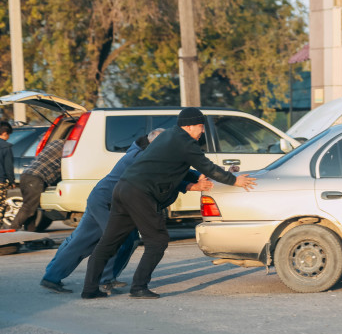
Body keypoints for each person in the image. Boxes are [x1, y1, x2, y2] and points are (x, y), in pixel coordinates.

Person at [81, 107, 257, 300]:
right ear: (189, 126)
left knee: (109, 242)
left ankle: (89, 289)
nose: (203, 130)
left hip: (123, 188)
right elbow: (206, 165)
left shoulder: (169, 136)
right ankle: (138, 287)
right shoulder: (185, 142)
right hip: (140, 193)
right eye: (200, 126)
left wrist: (199, 179)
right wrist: (234, 180)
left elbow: (181, 168)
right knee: (157, 240)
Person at [40, 128, 214, 294]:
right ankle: (100, 280)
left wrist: (202, 175)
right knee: (114, 240)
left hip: (111, 200)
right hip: (106, 201)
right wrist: (190, 186)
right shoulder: (140, 158)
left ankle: (61, 277)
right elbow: (163, 177)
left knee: (118, 240)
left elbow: (178, 170)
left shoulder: (150, 153)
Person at [8, 134, 65, 230]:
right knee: (29, 207)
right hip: (35, 178)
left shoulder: (56, 142)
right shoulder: (68, 148)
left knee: (32, 208)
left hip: (26, 175)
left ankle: (30, 233)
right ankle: (12, 229)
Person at [0, 121, 16, 226]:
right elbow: (8, 166)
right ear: (5, 133)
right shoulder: (5, 147)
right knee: (0, 205)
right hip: (0, 181)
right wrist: (11, 181)